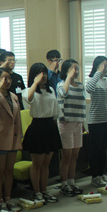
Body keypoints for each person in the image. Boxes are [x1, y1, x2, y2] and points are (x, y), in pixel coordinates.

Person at [23, 63, 62, 203]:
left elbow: (56, 110)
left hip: (50, 126)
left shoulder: (51, 90)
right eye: (39, 73)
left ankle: (44, 190)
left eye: (44, 72)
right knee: (37, 163)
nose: (43, 76)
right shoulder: (29, 90)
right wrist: (35, 83)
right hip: (37, 127)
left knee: (46, 163)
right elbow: (28, 99)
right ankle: (37, 192)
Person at [0, 68, 23, 212]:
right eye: (4, 78)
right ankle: (0, 200)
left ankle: (8, 199)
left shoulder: (13, 96)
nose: (7, 81)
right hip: (0, 138)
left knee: (9, 170)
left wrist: (20, 136)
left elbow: (18, 118)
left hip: (13, 137)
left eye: (9, 78)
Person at [86, 56, 107, 188]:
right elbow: (89, 89)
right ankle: (95, 176)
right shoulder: (92, 81)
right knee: (96, 150)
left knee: (103, 149)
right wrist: (98, 72)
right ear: (97, 66)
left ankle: (102, 174)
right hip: (96, 121)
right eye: (104, 66)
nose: (106, 69)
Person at [57, 59, 86, 196]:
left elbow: (82, 105)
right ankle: (64, 183)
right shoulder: (61, 84)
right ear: (67, 70)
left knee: (75, 155)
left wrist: (83, 123)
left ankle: (71, 181)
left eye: (78, 69)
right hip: (66, 123)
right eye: (74, 69)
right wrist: (68, 77)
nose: (77, 71)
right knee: (67, 156)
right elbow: (63, 93)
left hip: (78, 123)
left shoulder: (80, 85)